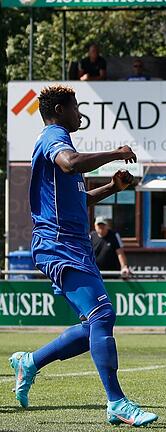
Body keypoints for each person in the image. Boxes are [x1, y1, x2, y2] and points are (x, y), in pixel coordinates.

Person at [8, 85, 157, 426]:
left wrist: (112, 188)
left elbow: (79, 200)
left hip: (75, 244)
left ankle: (30, 362)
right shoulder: (53, 139)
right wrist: (115, 152)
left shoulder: (62, 142)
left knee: (94, 322)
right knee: (103, 315)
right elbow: (71, 163)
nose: (80, 114)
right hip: (58, 244)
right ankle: (117, 402)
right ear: (59, 110)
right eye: (75, 108)